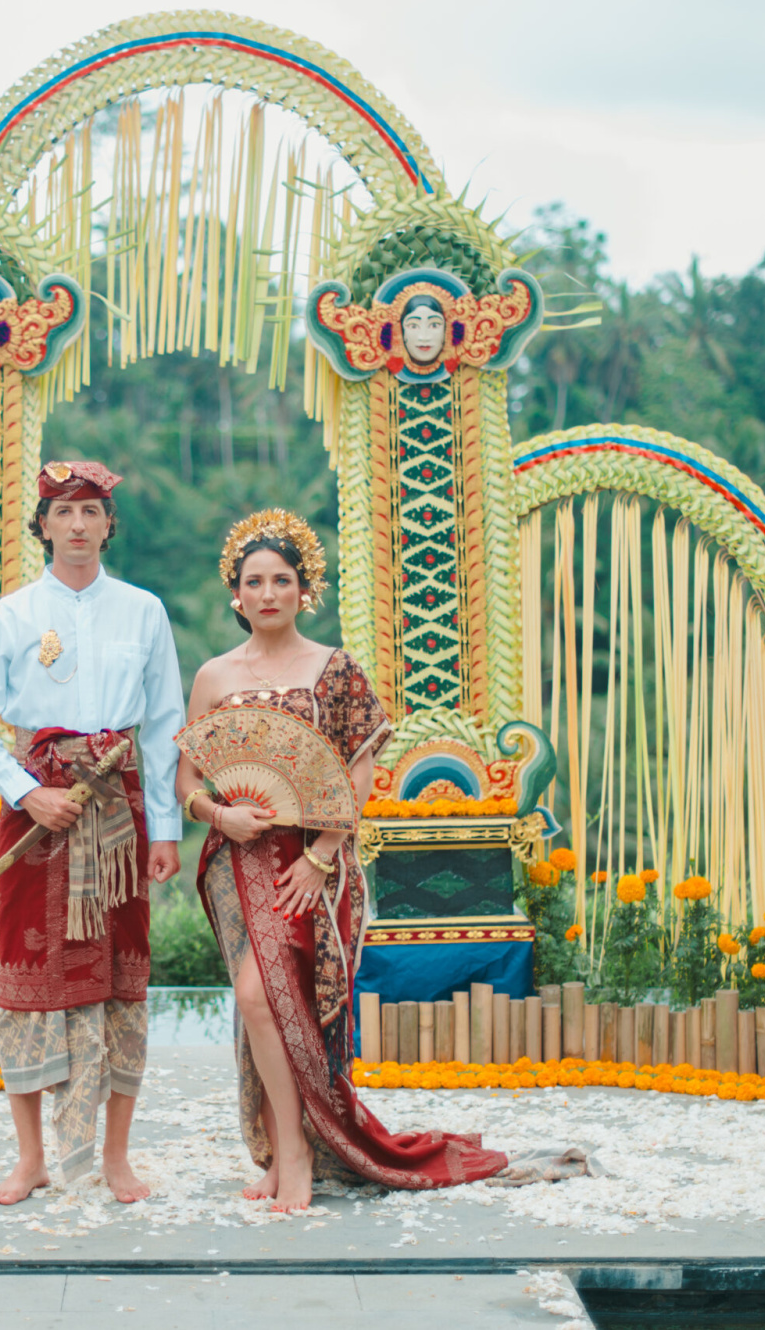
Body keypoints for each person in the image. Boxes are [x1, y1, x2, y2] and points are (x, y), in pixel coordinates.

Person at [177, 509, 516, 1211]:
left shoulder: (334, 669)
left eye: (282, 580)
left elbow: (356, 771)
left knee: (270, 999)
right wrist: (220, 814)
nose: (268, 592)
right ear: (234, 596)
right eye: (253, 582)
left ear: (306, 590)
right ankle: (277, 1151)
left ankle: (298, 1155)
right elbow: (187, 780)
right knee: (260, 1007)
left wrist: (323, 856)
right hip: (237, 859)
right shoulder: (214, 676)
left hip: (310, 863)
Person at [0, 459, 184, 1206]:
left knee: (121, 981)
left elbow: (167, 725)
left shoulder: (144, 611)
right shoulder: (10, 616)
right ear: (43, 525)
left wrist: (166, 831)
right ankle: (31, 1158)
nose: (78, 524)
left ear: (110, 524)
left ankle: (115, 1157)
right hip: (35, 820)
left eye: (91, 511)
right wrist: (28, 793)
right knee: (26, 982)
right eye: (64, 511)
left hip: (119, 818)